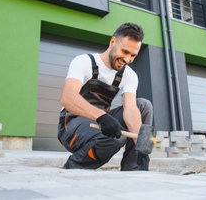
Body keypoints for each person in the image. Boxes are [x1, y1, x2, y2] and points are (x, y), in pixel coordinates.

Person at [57, 22, 153, 171]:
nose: (127, 59)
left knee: (144, 105)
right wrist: (102, 116)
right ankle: (74, 167)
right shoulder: (84, 61)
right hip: (71, 125)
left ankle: (134, 167)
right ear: (113, 41)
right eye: (125, 52)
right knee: (115, 138)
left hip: (101, 123)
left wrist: (142, 145)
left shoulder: (129, 75)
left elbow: (131, 110)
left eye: (133, 55)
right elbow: (68, 98)